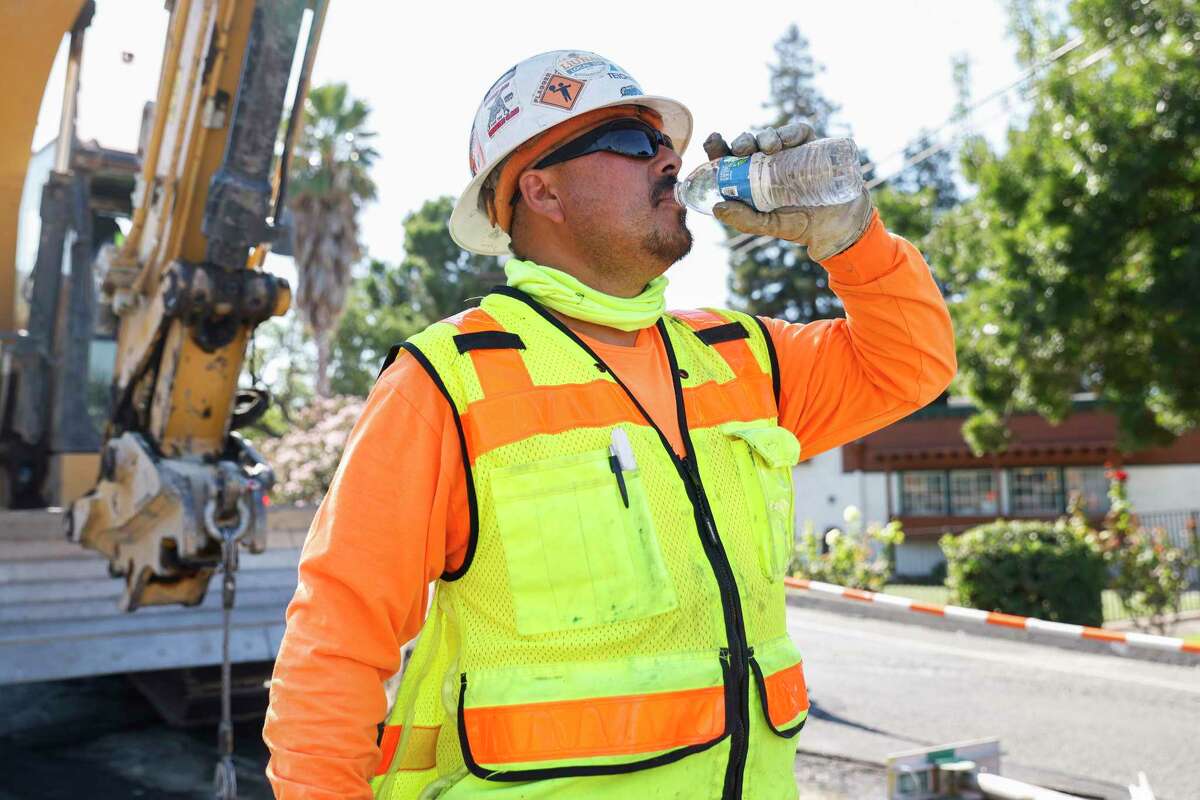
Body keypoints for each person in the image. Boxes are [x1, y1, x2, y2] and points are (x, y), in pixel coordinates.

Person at [263, 49, 956, 799]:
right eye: (632, 142)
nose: (669, 157)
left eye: (667, 143)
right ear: (544, 191)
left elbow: (911, 363)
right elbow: (334, 645)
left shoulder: (738, 357)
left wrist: (852, 240)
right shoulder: (450, 380)